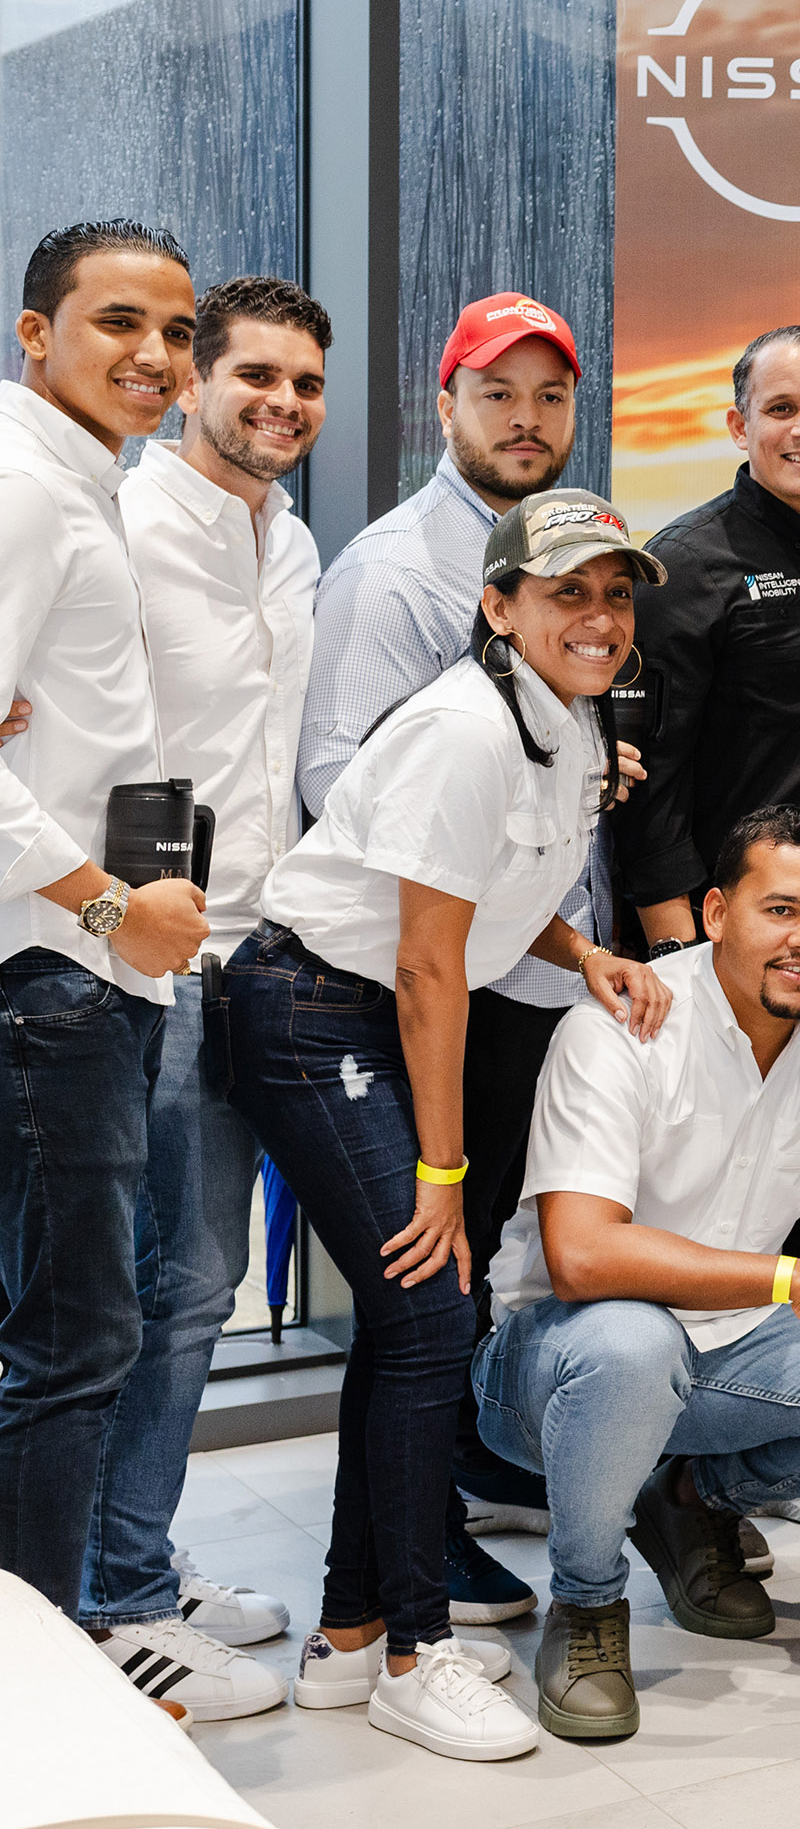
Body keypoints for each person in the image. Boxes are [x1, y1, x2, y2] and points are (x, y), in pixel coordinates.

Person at [226, 491, 671, 1762]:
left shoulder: (568, 718)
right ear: (499, 605)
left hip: (371, 1006)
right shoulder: (465, 729)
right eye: (567, 592)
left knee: (411, 1321)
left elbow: (490, 889)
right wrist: (440, 1168)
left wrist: (583, 952)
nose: (599, 616)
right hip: (315, 1007)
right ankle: (415, 1654)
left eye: (615, 593)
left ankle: (352, 1634)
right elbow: (428, 965)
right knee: (429, 1313)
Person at [475, 805, 800, 1740]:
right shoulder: (621, 1024)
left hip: (729, 1357)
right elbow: (580, 1255)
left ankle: (691, 1501)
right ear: (718, 913)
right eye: (781, 910)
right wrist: (793, 1279)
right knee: (633, 1346)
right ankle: (587, 1605)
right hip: (554, 1363)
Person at [297, 290, 602, 1614]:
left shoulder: (568, 548)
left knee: (475, 1256)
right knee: (430, 1282)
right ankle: (411, 1554)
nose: (525, 420)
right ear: (446, 405)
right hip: (424, 977)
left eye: (549, 397)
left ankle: (459, 1472)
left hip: (521, 966)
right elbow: (337, 778)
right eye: (498, 395)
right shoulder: (390, 571)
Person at [75, 277, 330, 1718]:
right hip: (134, 960)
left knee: (194, 1286)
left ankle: (136, 1561)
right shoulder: (119, 520)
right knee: (135, 1292)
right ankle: (109, 1600)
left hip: (257, 959)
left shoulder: (294, 543)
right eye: (255, 376)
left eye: (305, 383)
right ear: (193, 384)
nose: (282, 403)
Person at [0, 221, 212, 1725]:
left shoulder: (88, 485)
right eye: (118, 322)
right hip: (52, 975)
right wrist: (108, 907)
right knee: (76, 1340)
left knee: (69, 1330)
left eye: (175, 331)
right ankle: (45, 1693)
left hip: (90, 971)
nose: (154, 355)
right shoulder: (26, 487)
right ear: (36, 333)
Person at [618, 325, 800, 1025]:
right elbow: (650, 778)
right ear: (739, 426)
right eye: (781, 408)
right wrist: (675, 951)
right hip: (722, 925)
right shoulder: (684, 566)